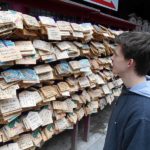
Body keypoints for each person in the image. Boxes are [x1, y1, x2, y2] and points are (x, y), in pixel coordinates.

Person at [103, 32, 150, 150]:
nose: (112, 58)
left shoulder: (142, 114)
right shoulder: (129, 90)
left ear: (130, 62)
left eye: (115, 54)